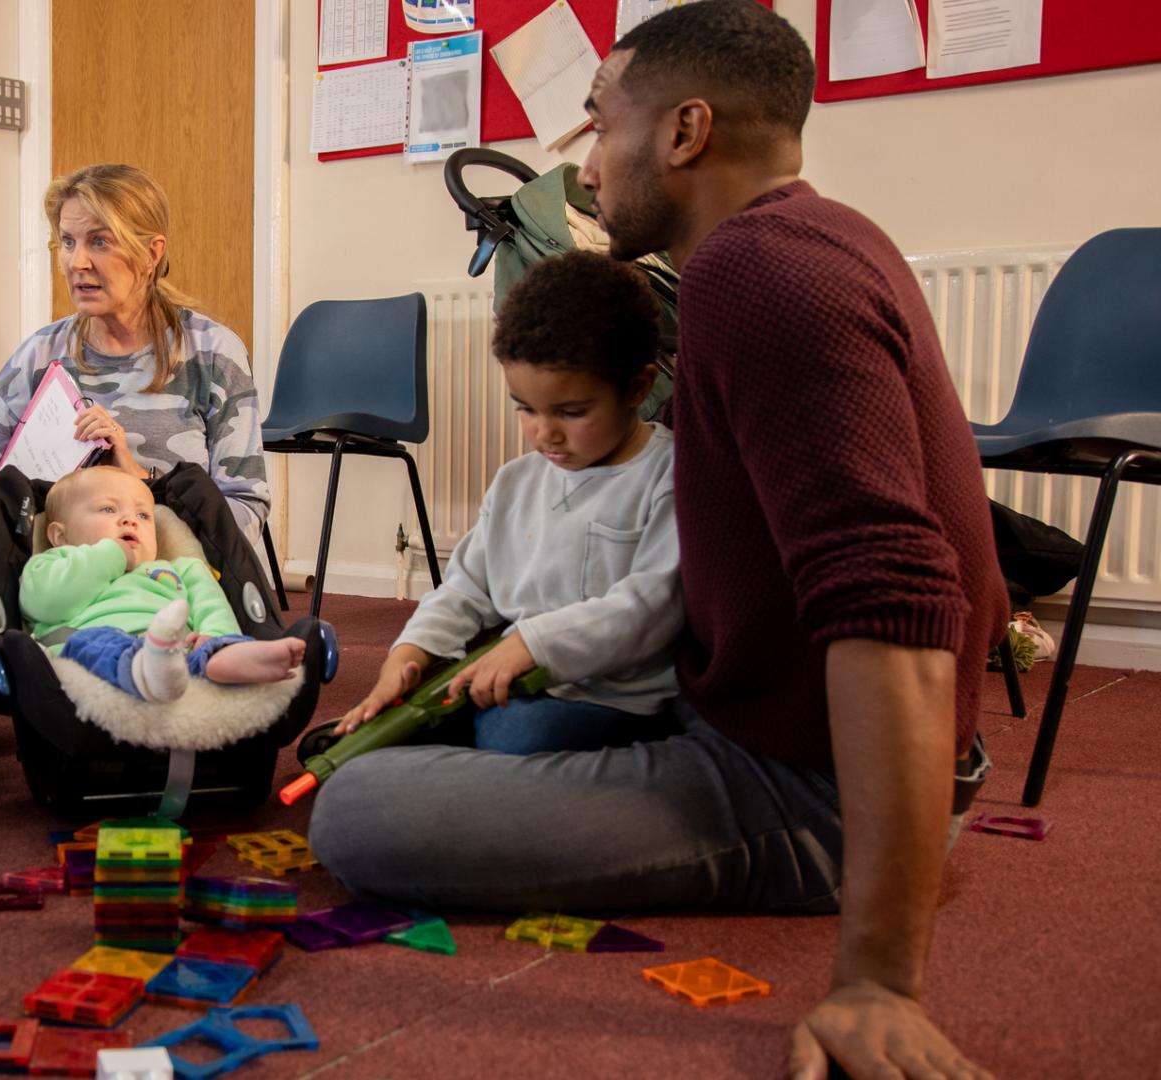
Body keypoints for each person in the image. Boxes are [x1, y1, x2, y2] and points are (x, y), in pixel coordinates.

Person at [306, 5, 1004, 1079]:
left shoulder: (759, 274)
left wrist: (875, 981)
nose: (582, 168)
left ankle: (839, 869)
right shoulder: (815, 238)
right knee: (468, 728)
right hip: (760, 726)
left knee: (357, 814)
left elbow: (893, 599)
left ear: (683, 132)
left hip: (801, 790)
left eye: (595, 125)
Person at [331, 251, 680, 753]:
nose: (544, 433)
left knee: (513, 734)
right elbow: (465, 589)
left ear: (638, 387)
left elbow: (650, 609)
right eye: (526, 408)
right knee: (388, 732)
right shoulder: (518, 481)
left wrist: (530, 644)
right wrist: (409, 651)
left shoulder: (665, 475)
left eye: (573, 411)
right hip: (510, 680)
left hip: (609, 702)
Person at [0, 164, 271, 542]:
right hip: (50, 571)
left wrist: (143, 491)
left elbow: (246, 507)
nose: (77, 262)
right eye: (67, 241)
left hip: (164, 581)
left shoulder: (212, 353)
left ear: (150, 253)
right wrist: (22, 536)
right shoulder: (40, 354)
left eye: (99, 241)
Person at [22, 468, 305, 703]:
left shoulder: (180, 568)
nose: (130, 520)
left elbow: (212, 606)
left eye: (143, 516)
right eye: (108, 509)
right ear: (60, 535)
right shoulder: (56, 561)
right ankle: (145, 669)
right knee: (88, 644)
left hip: (176, 652)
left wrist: (216, 636)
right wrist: (111, 555)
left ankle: (228, 659)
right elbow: (45, 604)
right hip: (91, 652)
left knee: (208, 648)